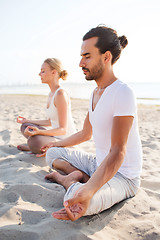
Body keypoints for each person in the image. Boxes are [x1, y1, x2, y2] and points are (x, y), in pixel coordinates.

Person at [42, 26, 143, 221]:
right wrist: (55, 143)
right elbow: (85, 134)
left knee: (77, 201)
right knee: (52, 153)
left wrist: (88, 190)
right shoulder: (95, 93)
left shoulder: (123, 92)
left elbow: (118, 151)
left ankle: (68, 180)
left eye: (87, 56)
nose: (80, 63)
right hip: (97, 164)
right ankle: (79, 178)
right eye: (81, 56)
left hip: (123, 176)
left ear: (106, 57)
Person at [17, 58, 76, 155]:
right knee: (25, 126)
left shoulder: (60, 94)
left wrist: (39, 132)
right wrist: (27, 120)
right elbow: (49, 122)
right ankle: (34, 147)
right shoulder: (51, 94)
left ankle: (33, 147)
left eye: (43, 71)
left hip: (64, 140)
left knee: (34, 142)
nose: (39, 74)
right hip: (54, 136)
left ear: (54, 72)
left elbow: (63, 130)